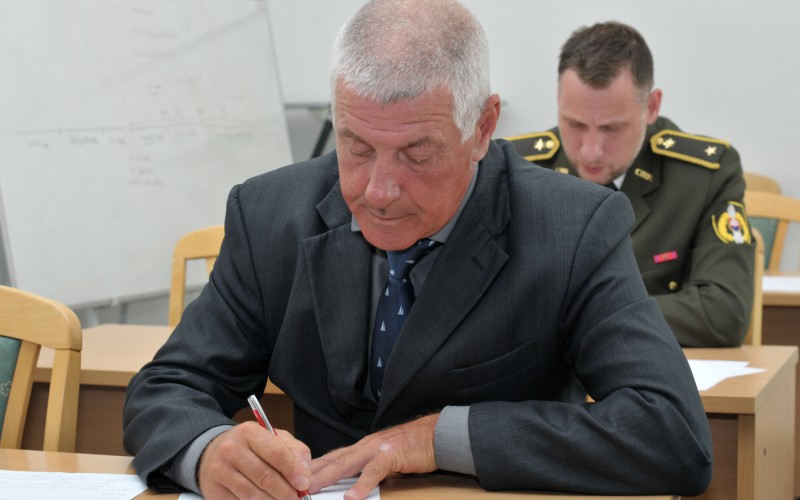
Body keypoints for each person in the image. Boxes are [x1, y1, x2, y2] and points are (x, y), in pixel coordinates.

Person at [123, 2, 712, 499]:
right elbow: (168, 387)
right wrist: (209, 451)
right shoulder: (269, 215)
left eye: (417, 153)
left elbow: (672, 433)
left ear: (482, 128)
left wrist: (436, 438)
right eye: (357, 147)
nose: (378, 191)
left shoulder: (572, 228)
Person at [508, 21, 755, 347]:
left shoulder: (703, 176)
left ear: (651, 107)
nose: (590, 150)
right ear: (558, 100)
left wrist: (584, 317)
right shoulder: (520, 169)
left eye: (611, 129)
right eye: (575, 124)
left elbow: (724, 312)